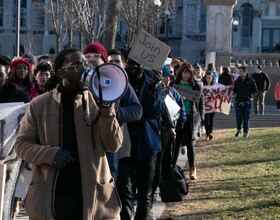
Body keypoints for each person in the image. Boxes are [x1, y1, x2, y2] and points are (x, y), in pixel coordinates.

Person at [14, 48, 123, 220]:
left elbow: (114, 144)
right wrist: (50, 154)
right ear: (60, 72)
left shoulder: (97, 102)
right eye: (77, 65)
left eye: (85, 64)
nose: (84, 69)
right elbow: (21, 145)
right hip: (54, 196)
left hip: (92, 197)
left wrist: (107, 110)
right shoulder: (39, 105)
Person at [125, 59, 166, 220]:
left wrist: (153, 89)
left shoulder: (152, 85)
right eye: (130, 64)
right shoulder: (120, 83)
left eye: (137, 64)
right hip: (124, 146)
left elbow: (155, 111)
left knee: (144, 193)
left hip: (146, 145)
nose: (133, 68)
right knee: (125, 190)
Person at [107, 48, 143, 220]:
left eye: (117, 61)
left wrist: (115, 114)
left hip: (121, 150)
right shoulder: (96, 82)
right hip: (97, 151)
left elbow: (137, 110)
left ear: (124, 64)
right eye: (110, 61)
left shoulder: (124, 85)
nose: (113, 65)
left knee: (123, 192)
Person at [172, 63, 205, 180]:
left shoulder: (195, 86)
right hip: (178, 117)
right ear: (180, 73)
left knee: (190, 143)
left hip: (191, 118)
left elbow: (201, 103)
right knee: (176, 143)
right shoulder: (174, 86)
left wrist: (202, 119)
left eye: (188, 73)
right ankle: (172, 167)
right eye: (184, 72)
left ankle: (192, 169)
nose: (186, 75)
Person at [234, 66, 257, 138]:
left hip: (247, 102)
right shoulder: (237, 80)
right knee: (238, 117)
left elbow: (255, 91)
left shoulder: (250, 80)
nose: (239, 73)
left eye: (240, 71)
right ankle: (238, 129)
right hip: (238, 102)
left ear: (245, 72)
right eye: (239, 71)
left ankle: (246, 132)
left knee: (246, 117)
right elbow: (235, 90)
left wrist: (250, 96)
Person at [202, 71, 215, 140]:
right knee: (206, 120)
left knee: (211, 119)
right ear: (205, 78)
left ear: (212, 78)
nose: (209, 79)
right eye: (207, 77)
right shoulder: (203, 86)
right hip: (205, 105)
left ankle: (211, 133)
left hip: (212, 105)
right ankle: (207, 133)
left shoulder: (215, 86)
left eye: (210, 77)